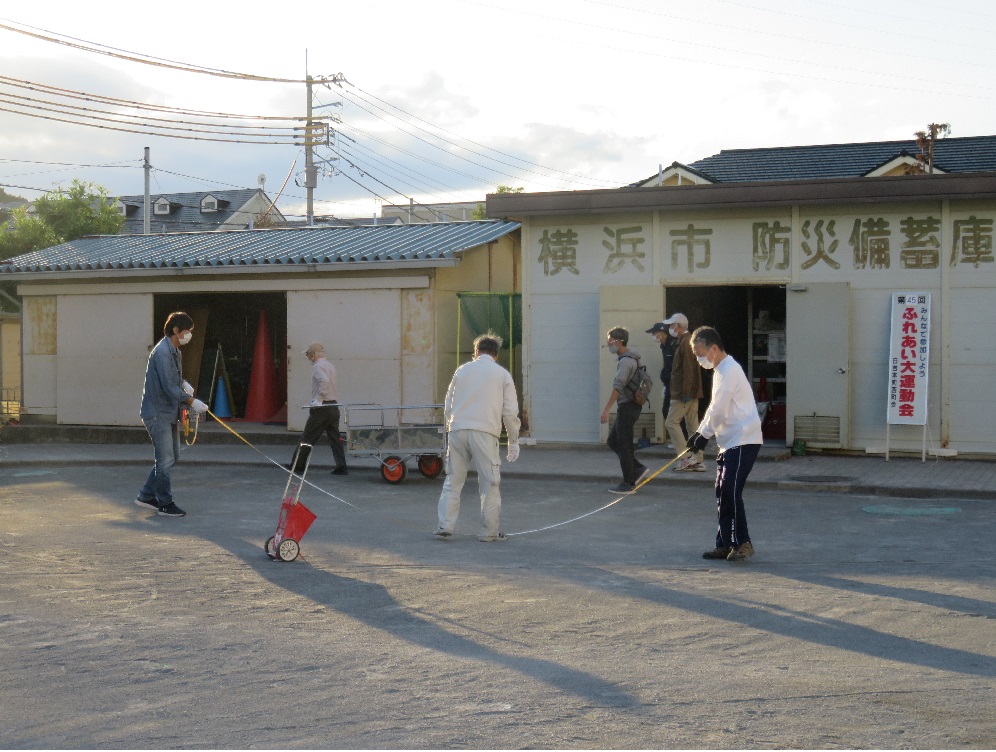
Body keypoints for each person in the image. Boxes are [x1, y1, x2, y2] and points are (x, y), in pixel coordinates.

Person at [686, 326, 763, 562]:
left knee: (730, 490)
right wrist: (700, 432)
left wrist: (704, 435)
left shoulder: (730, 370)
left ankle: (743, 542)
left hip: (743, 440)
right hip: (729, 442)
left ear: (714, 348)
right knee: (722, 490)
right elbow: (713, 408)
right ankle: (724, 543)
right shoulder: (720, 372)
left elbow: (718, 409)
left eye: (700, 352)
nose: (699, 358)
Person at [434, 333, 521, 542]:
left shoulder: (461, 371)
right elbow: (510, 412)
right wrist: (513, 440)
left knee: (452, 481)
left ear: (476, 352)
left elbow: (448, 405)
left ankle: (445, 525)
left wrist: (450, 427)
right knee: (490, 482)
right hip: (485, 432)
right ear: (496, 355)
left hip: (457, 429)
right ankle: (489, 532)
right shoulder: (502, 375)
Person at [135, 311, 208, 517]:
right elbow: (168, 386)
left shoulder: (175, 350)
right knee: (165, 459)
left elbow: (173, 380)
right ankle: (165, 503)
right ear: (176, 330)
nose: (189, 335)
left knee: (171, 457)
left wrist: (183, 384)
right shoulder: (162, 352)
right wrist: (192, 401)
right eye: (187, 331)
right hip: (157, 413)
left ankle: (146, 495)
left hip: (168, 412)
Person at [600, 326, 651, 495]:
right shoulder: (631, 358)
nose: (608, 344)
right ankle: (637, 469)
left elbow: (618, 386)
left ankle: (628, 482)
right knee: (613, 441)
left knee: (624, 443)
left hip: (628, 406)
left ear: (620, 342)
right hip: (631, 405)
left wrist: (606, 410)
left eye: (611, 340)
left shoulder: (626, 361)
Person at [288, 342, 348, 476]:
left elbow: (324, 381)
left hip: (322, 408)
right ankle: (341, 466)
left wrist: (319, 399)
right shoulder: (330, 366)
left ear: (314, 354)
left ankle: (297, 465)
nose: (309, 358)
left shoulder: (317, 367)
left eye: (309, 355)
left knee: (307, 437)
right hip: (333, 406)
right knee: (335, 438)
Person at [662, 313, 705, 472]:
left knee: (671, 422)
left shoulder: (685, 342)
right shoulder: (688, 341)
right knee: (693, 426)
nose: (670, 329)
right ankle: (698, 459)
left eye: (672, 326)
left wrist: (685, 392)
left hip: (683, 393)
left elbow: (688, 370)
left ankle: (685, 458)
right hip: (692, 392)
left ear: (679, 326)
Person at [646, 321, 680, 446]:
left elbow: (677, 366)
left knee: (670, 412)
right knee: (668, 412)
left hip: (675, 384)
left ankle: (681, 441)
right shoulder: (664, 345)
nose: (654, 336)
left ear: (662, 333)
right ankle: (679, 441)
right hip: (669, 384)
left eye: (655, 333)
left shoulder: (673, 344)